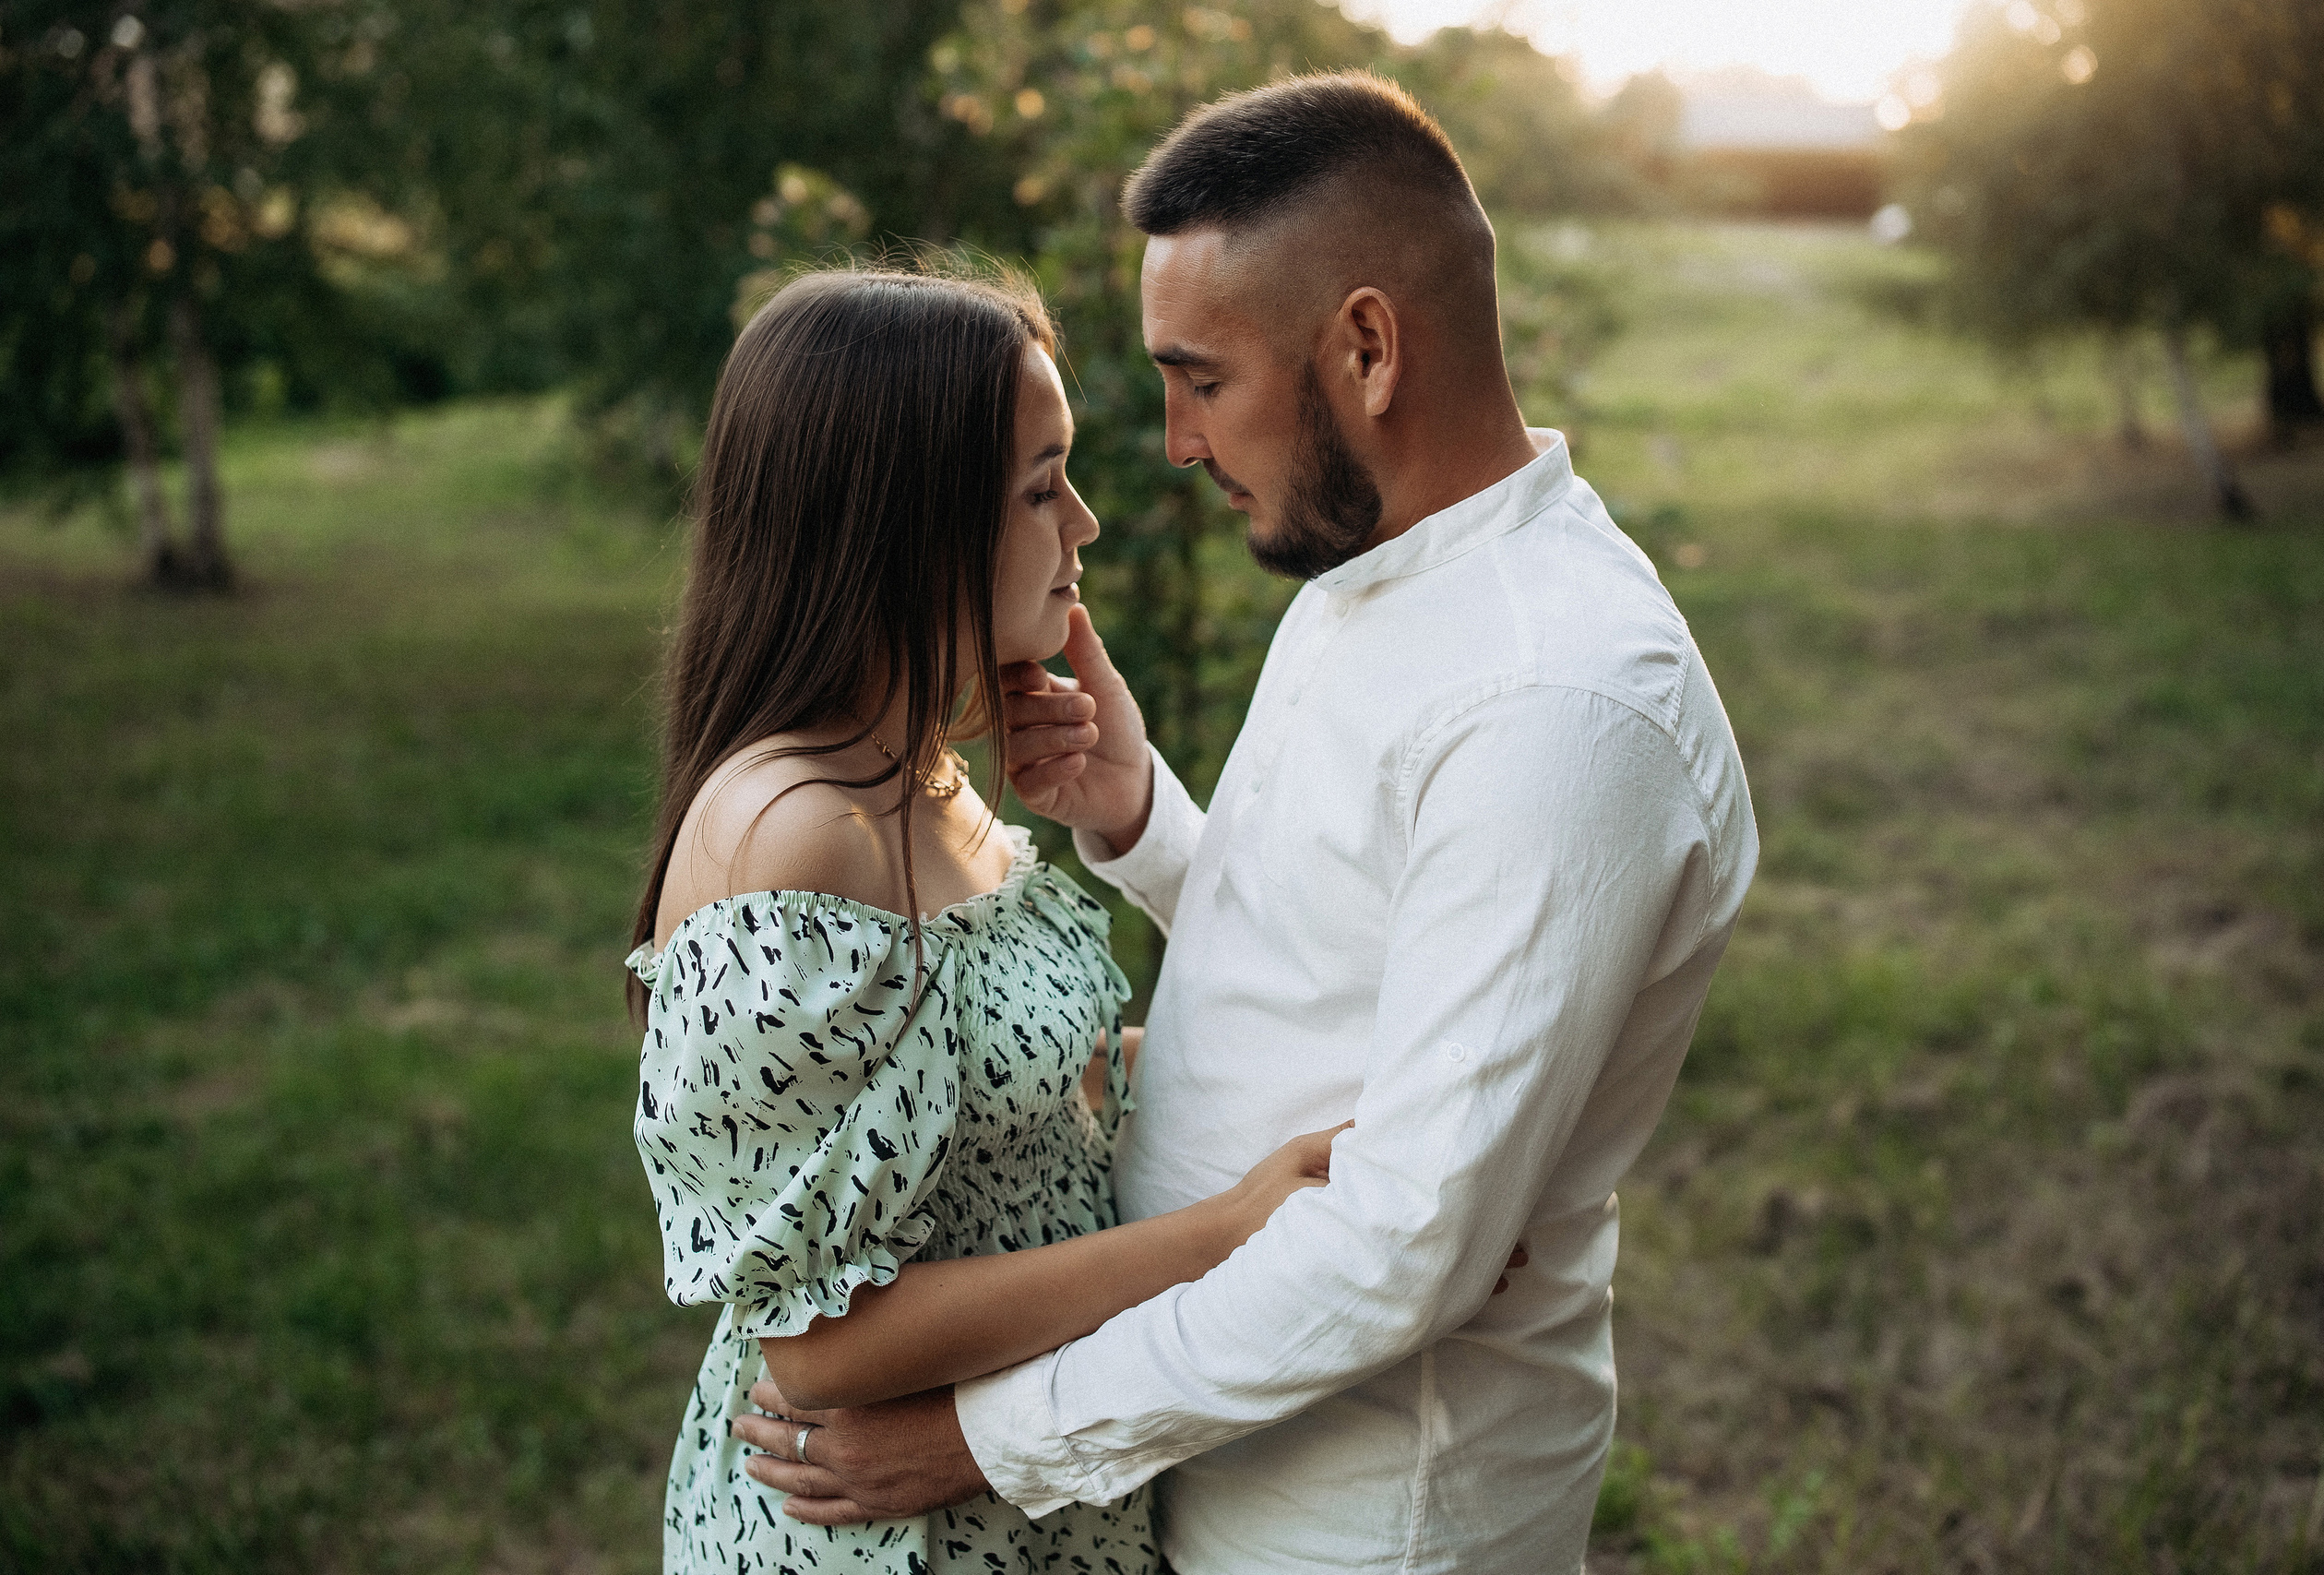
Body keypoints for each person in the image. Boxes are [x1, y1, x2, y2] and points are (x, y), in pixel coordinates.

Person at [729, 72, 1760, 1571]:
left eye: (1201, 378)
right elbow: (1339, 957)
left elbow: (1402, 1248)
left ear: (1364, 346)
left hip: (1357, 1513)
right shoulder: (1384, 567)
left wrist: (979, 1440)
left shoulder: (1559, 703)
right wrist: (1141, 819)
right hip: (1194, 1451)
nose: (1173, 444)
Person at [624, 263, 1350, 1575]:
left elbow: (1014, 1116)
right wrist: (1216, 1234)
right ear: (909, 525)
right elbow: (823, 1339)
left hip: (1031, 1503)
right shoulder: (799, 835)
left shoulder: (930, 770)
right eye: (1038, 486)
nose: (1083, 522)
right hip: (889, 1544)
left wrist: (1120, 810)